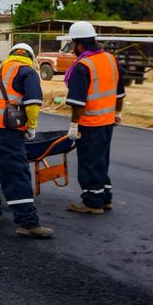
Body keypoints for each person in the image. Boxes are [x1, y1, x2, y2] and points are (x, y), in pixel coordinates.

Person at [0, 42, 52, 238]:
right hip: (4, 130)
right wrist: (31, 127)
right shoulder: (27, 72)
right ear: (30, 58)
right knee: (15, 173)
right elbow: (33, 104)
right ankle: (28, 222)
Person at [63, 21, 126, 215]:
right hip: (107, 121)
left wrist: (74, 125)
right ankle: (104, 197)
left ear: (79, 45)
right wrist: (117, 113)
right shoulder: (110, 59)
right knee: (101, 160)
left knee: (89, 162)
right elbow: (120, 93)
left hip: (90, 123)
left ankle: (92, 202)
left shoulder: (83, 65)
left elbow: (77, 102)